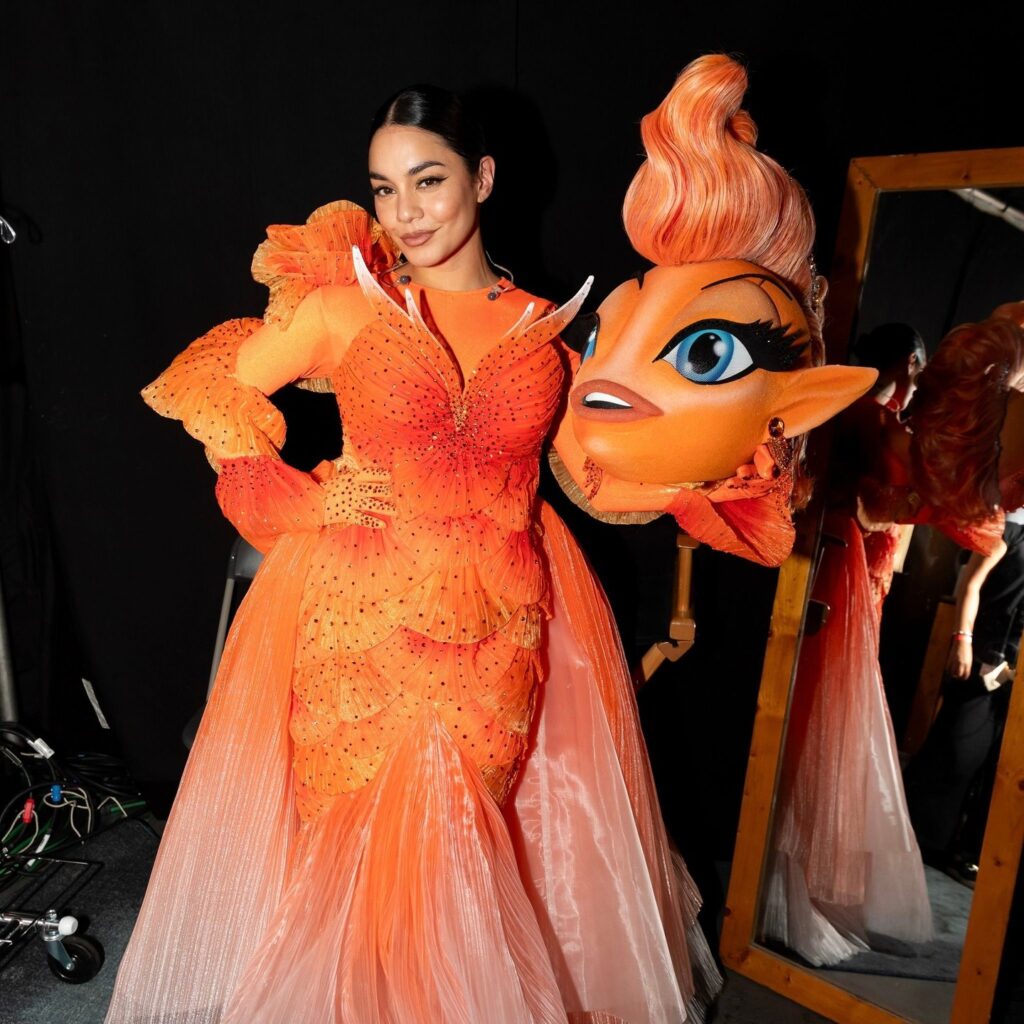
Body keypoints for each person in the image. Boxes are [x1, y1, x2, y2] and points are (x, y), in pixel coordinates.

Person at [103, 85, 718, 1024]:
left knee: (464, 845)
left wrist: (707, 482)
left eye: (427, 181)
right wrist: (302, 494)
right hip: (362, 621)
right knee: (357, 844)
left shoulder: (551, 332)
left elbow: (585, 479)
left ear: (483, 178)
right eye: (384, 190)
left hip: (500, 624)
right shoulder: (347, 309)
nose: (405, 213)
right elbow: (212, 391)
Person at [761, 327, 935, 967]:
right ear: (907, 363)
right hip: (840, 557)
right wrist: (919, 496)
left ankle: (782, 879)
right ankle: (795, 889)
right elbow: (872, 507)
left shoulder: (846, 403)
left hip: (834, 557)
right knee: (826, 721)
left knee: (813, 720)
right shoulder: (868, 413)